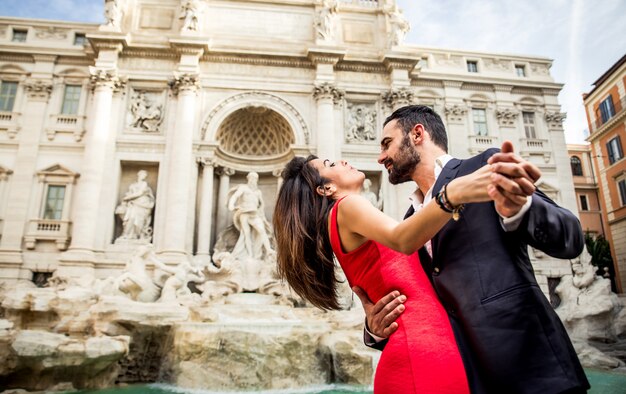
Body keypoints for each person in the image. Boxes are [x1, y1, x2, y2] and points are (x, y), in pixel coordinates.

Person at [356, 105, 589, 393]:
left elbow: (571, 238)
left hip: (533, 370)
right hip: (466, 379)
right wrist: (374, 331)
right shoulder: (410, 223)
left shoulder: (483, 167)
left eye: (387, 144)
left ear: (417, 134)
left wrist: (522, 209)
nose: (380, 157)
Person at [273, 153, 519, 393]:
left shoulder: (342, 220)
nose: (343, 161)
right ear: (325, 189)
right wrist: (452, 195)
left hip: (424, 348)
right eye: (330, 164)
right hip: (422, 351)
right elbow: (403, 238)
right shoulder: (347, 206)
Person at [227, 172, 273, 260]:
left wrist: (262, 216)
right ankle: (250, 255)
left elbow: (261, 205)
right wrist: (231, 205)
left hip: (254, 214)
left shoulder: (258, 192)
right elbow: (235, 196)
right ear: (248, 179)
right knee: (246, 233)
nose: (253, 180)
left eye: (255, 179)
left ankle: (268, 249)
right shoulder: (243, 188)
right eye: (252, 178)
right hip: (244, 212)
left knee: (262, 230)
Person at [116, 170, 155, 241]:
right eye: (143, 175)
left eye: (145, 176)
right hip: (133, 204)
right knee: (131, 218)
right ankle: (127, 235)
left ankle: (137, 235)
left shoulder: (144, 184)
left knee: (139, 219)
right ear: (139, 175)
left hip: (142, 204)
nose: (144, 176)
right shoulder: (133, 185)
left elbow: (140, 193)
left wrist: (128, 198)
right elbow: (129, 193)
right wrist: (127, 199)